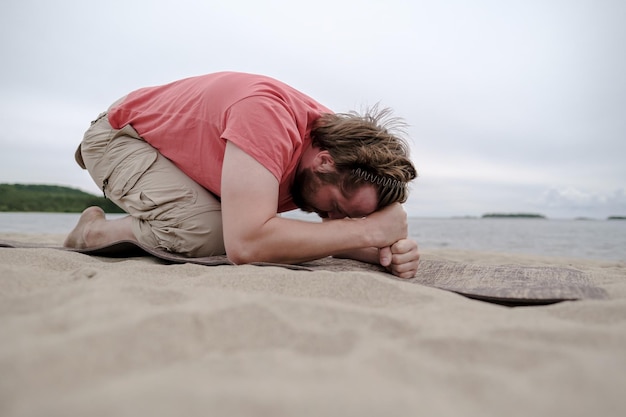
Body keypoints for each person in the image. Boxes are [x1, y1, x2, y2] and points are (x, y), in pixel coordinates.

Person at [64, 71, 419, 278]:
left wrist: (375, 250)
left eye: (351, 215)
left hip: (187, 164)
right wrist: (366, 231)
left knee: (232, 226)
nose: (336, 218)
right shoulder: (268, 119)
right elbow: (246, 244)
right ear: (324, 162)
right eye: (339, 205)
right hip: (120, 138)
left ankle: (163, 215)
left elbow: (331, 231)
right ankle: (92, 232)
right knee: (206, 235)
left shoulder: (337, 154)